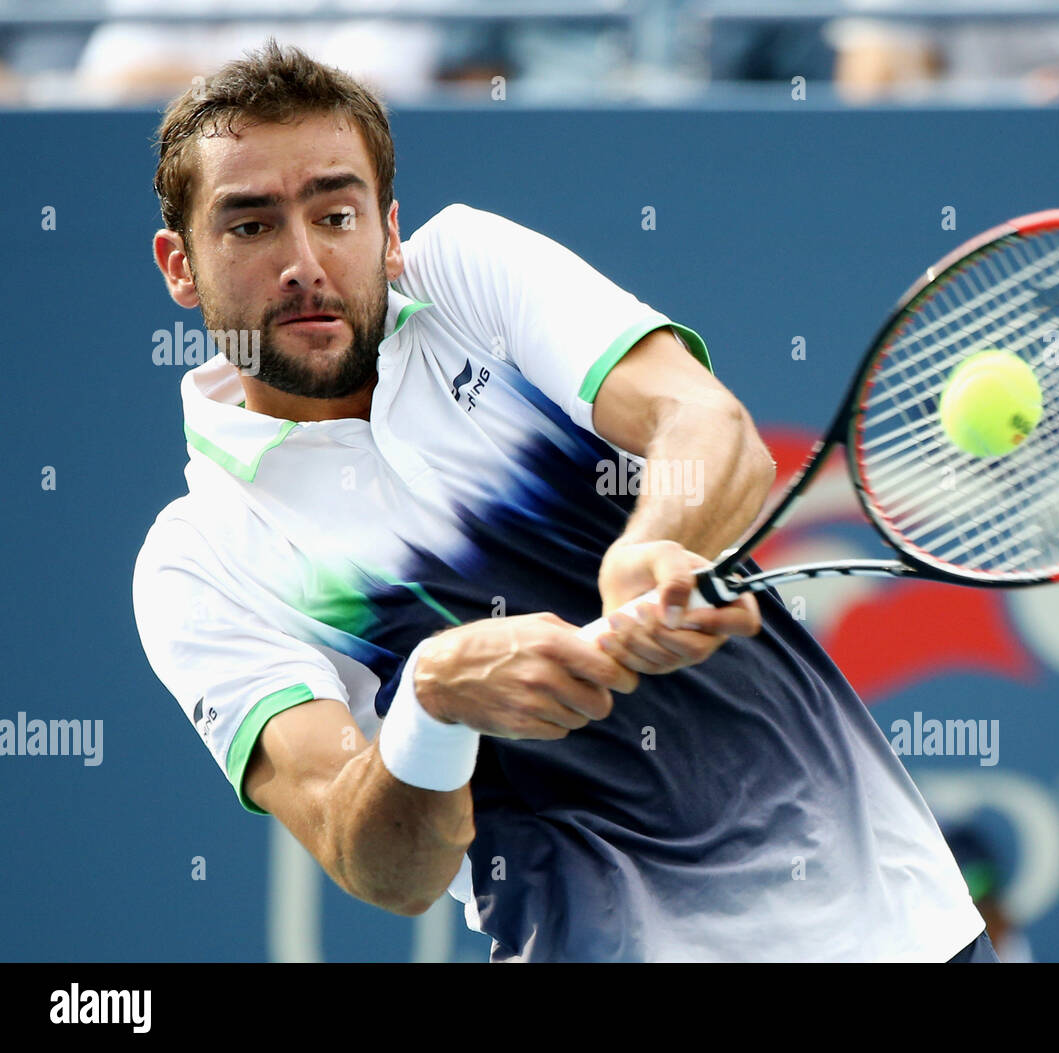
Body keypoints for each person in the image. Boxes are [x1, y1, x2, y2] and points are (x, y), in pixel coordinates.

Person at [133, 39, 993, 963]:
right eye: (251, 225)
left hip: (902, 931)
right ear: (180, 266)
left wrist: (653, 545)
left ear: (387, 229)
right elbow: (379, 865)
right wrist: (434, 700)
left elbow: (703, 423)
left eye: (335, 213)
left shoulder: (466, 271)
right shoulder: (198, 562)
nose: (304, 260)